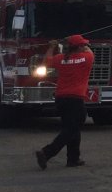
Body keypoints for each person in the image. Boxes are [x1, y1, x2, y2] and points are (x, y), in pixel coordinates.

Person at [35, 34, 94, 169]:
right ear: (79, 47)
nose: (85, 46)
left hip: (61, 98)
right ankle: (46, 152)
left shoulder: (60, 58)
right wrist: (86, 46)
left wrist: (52, 46)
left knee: (72, 127)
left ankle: (73, 159)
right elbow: (90, 51)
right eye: (83, 44)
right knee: (72, 128)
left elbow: (46, 61)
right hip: (76, 98)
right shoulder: (86, 58)